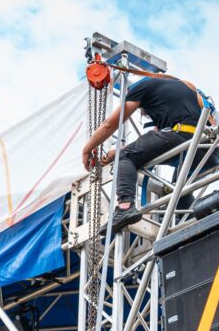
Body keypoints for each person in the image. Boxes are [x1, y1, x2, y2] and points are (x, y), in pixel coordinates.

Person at [81, 75, 208, 233]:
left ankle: (125, 207)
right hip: (205, 148)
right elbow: (152, 142)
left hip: (179, 137)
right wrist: (116, 151)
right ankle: (194, 225)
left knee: (125, 157)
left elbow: (110, 124)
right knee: (180, 191)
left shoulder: (141, 88)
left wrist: (88, 149)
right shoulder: (186, 88)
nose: (145, 115)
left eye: (142, 113)